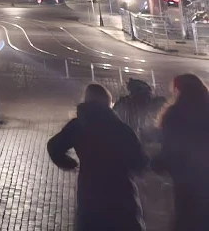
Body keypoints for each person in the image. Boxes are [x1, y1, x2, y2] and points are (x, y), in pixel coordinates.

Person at [46, 83, 148, 231]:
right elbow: (139, 162)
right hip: (120, 194)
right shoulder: (121, 129)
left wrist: (71, 164)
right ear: (108, 103)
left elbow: (54, 146)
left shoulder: (78, 126)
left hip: (90, 193)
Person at [150, 73, 209, 231]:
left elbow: (172, 150)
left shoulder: (175, 115)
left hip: (187, 184)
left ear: (178, 90)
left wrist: (155, 164)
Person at [113, 78, 165, 146]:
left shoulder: (123, 103)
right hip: (129, 141)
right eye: (147, 93)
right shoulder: (125, 104)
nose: (149, 96)